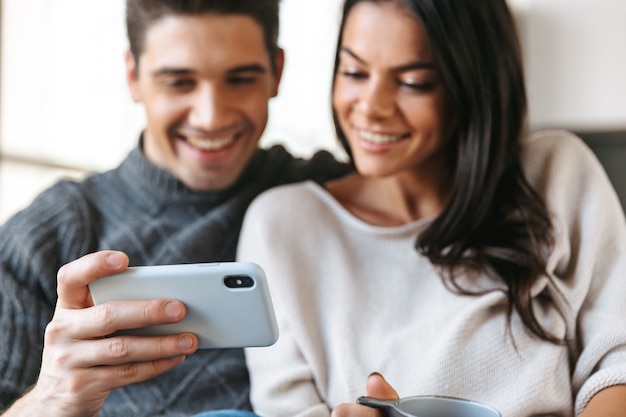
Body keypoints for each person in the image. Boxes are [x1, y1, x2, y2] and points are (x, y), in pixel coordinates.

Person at [237, 0, 626, 416]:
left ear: (471, 84)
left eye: (413, 82)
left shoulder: (555, 175)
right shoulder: (283, 225)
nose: (371, 106)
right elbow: (288, 406)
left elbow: (616, 361)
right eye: (354, 72)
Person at [0, 1, 350, 416]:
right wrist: (51, 398)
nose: (210, 117)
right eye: (179, 82)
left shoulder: (337, 197)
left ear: (277, 71)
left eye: (239, 79)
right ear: (133, 76)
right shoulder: (50, 232)